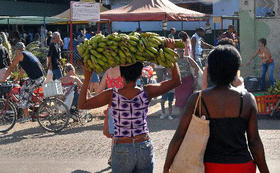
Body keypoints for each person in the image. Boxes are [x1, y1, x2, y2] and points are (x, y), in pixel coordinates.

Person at [78, 39, 180, 173]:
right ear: (140, 74)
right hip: (144, 145)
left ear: (121, 74)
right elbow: (176, 81)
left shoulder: (112, 95)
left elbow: (82, 104)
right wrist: (171, 53)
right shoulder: (147, 91)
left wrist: (87, 78)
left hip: (122, 147)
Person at [164, 45, 270, 173]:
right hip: (242, 166)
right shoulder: (247, 99)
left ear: (210, 70)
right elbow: (254, 142)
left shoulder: (198, 99)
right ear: (236, 70)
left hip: (209, 166)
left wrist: (166, 167)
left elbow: (179, 136)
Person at [1, 42, 45, 122]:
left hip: (36, 78)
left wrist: (3, 79)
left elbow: (11, 67)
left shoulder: (19, 55)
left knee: (22, 91)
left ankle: (26, 116)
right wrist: (18, 78)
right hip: (39, 77)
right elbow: (23, 68)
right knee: (25, 86)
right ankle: (32, 107)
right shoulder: (27, 53)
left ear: (17, 50)